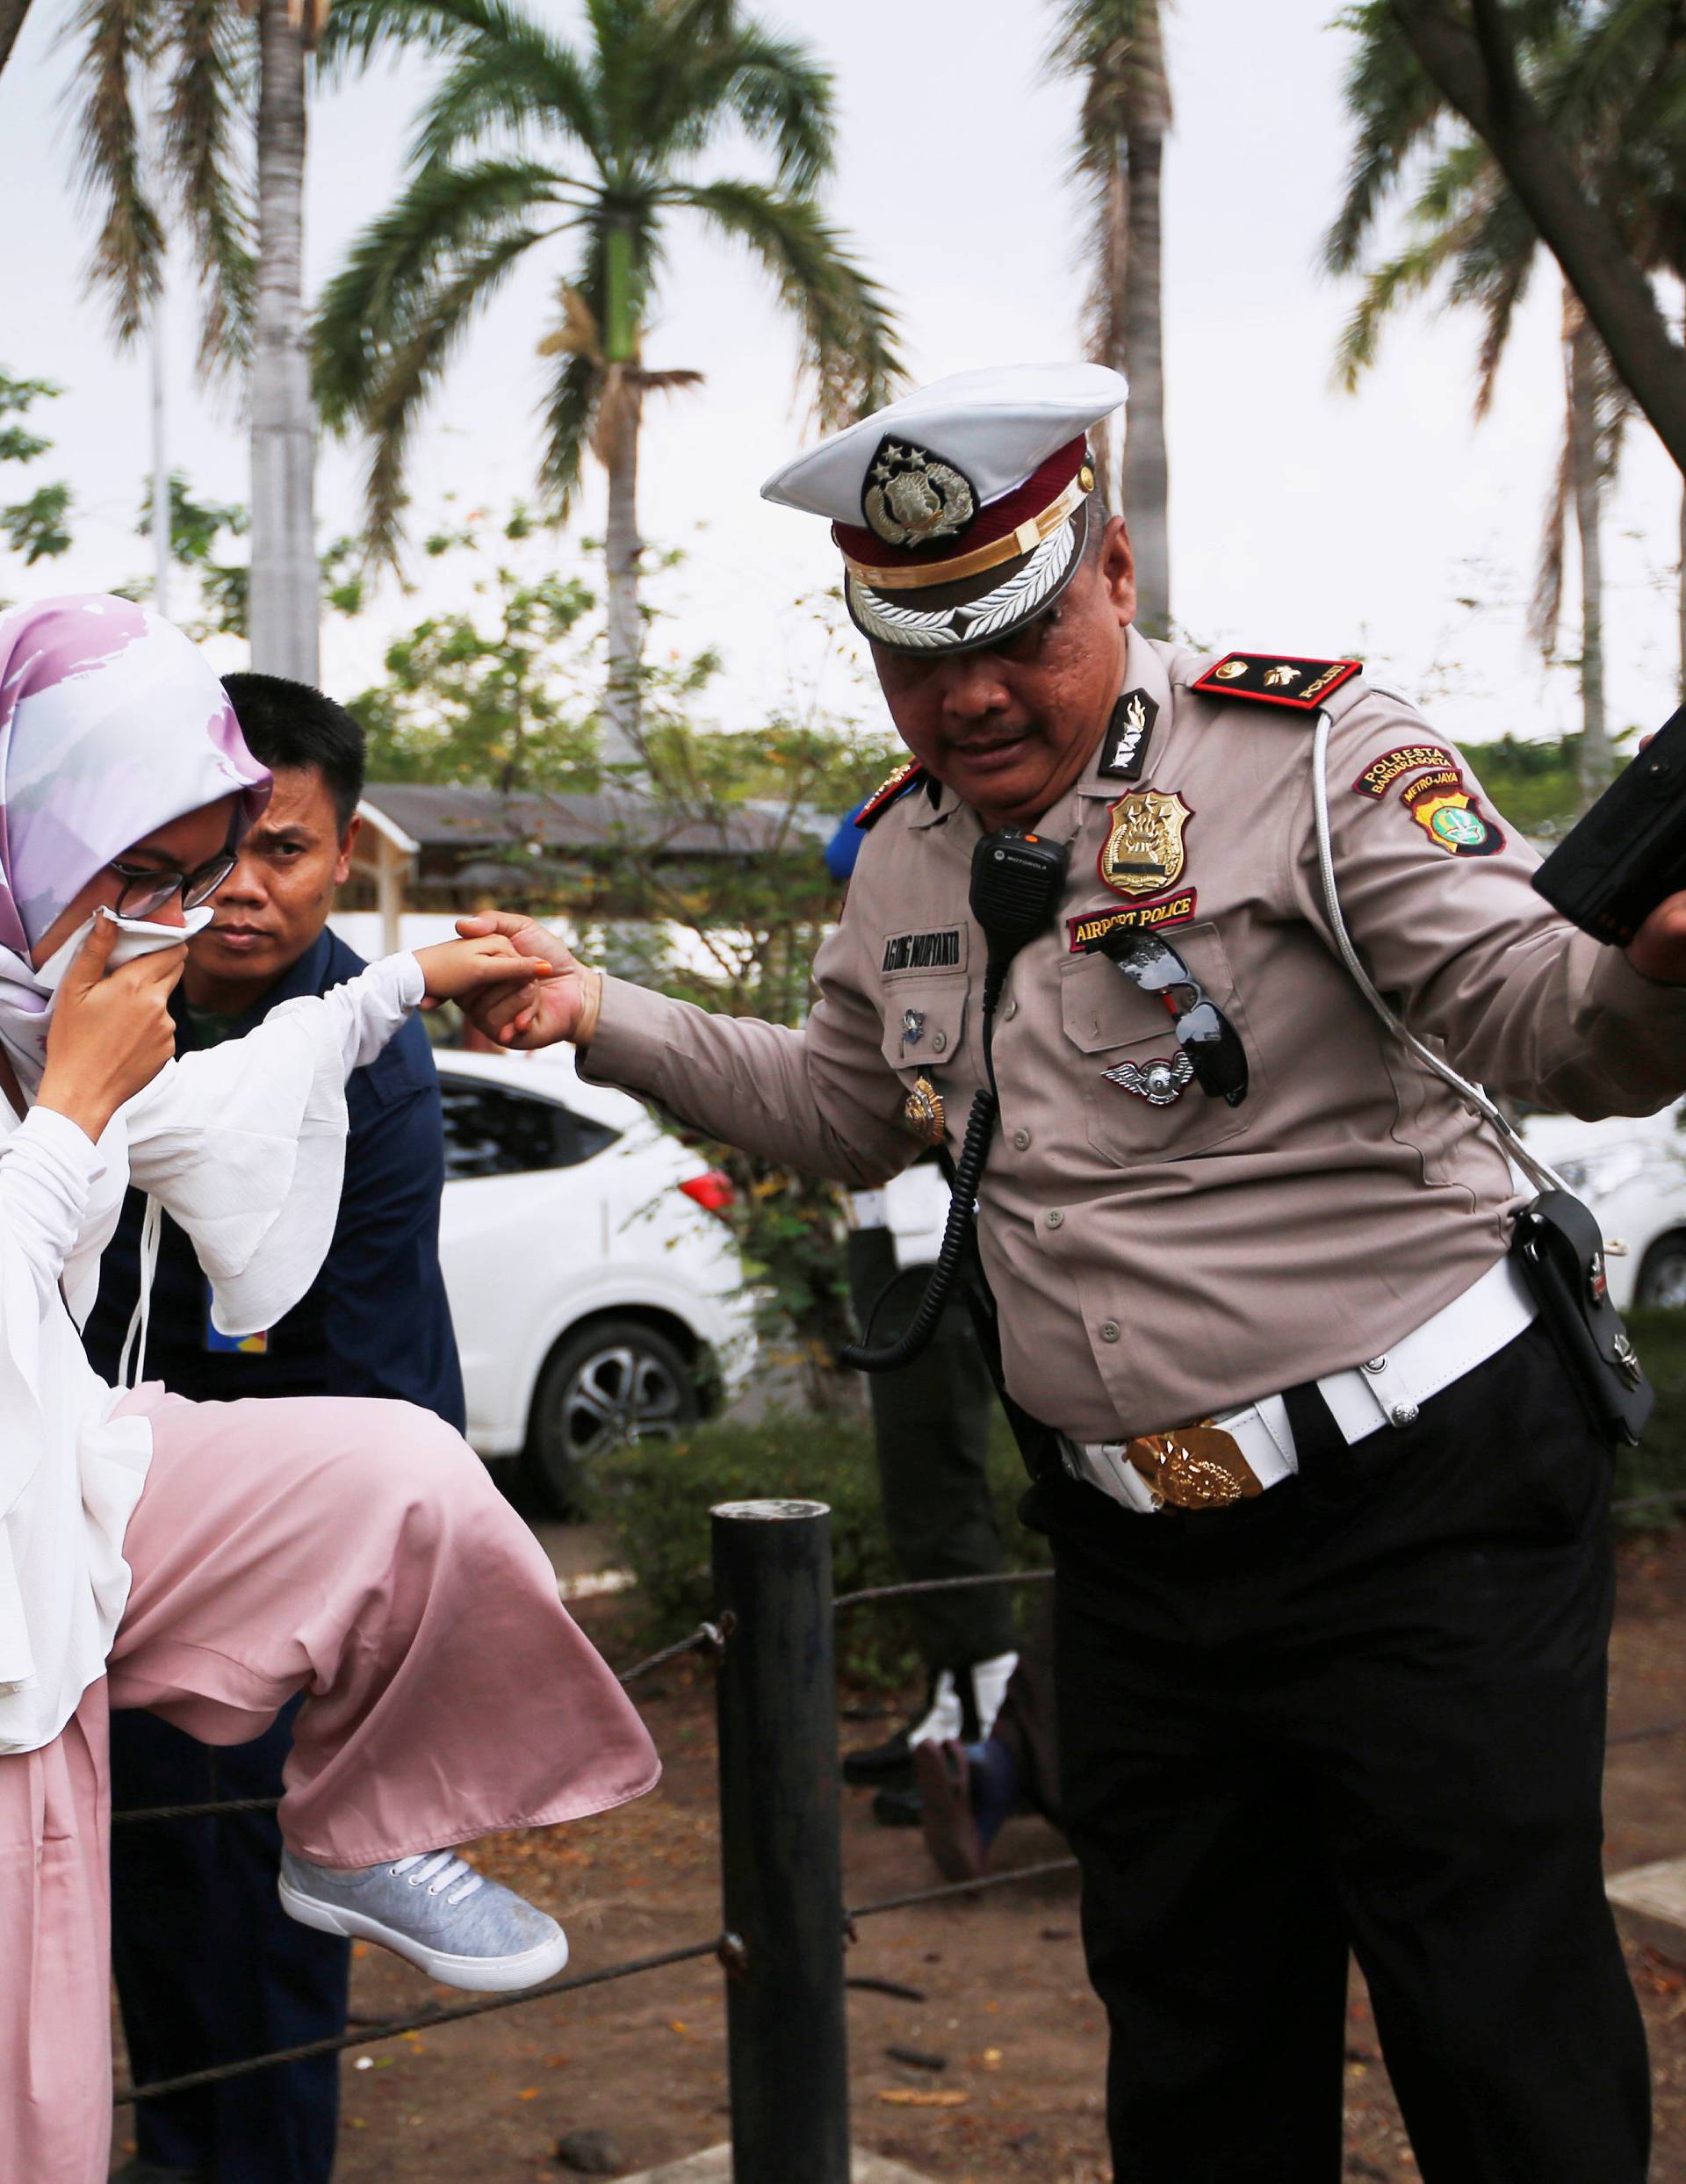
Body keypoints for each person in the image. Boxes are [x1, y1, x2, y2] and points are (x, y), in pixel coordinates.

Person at [456, 361, 1686, 2183]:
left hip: (1420, 1512)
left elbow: (1540, 1014)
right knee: (1194, 2051)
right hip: (1130, 1553)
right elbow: (854, 1103)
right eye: (911, 651)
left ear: (1113, 568)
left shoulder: (1314, 755)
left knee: (1495, 2032)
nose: (964, 692)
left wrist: (1655, 975)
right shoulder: (908, 851)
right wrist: (598, 1011)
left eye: (1016, 630)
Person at [0, 595, 659, 2184]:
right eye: (149, 871)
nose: (194, 911)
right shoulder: (72, 1037)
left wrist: (407, 980)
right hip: (39, 1636)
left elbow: (240, 1115)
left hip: (107, 1599)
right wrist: (74, 1115)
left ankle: (361, 1820)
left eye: (234, 860)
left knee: (405, 1488)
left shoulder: (77, 1010)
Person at [84, 673, 463, 2184]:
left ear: (345, 847)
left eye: (284, 852)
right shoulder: (99, 996)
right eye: (204, 854)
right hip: (80, 1551)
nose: (238, 891)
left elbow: (365, 1373)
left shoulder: (370, 1050)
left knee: (247, 1954)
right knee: (129, 1929)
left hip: (260, 1560)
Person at [826, 803, 1020, 1807]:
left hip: (935, 1242)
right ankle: (953, 1697)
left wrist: (897, 1101)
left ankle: (991, 1721)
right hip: (886, 1239)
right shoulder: (863, 967)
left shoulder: (954, 974)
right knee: (915, 1489)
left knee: (940, 1478)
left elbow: (930, 1105)